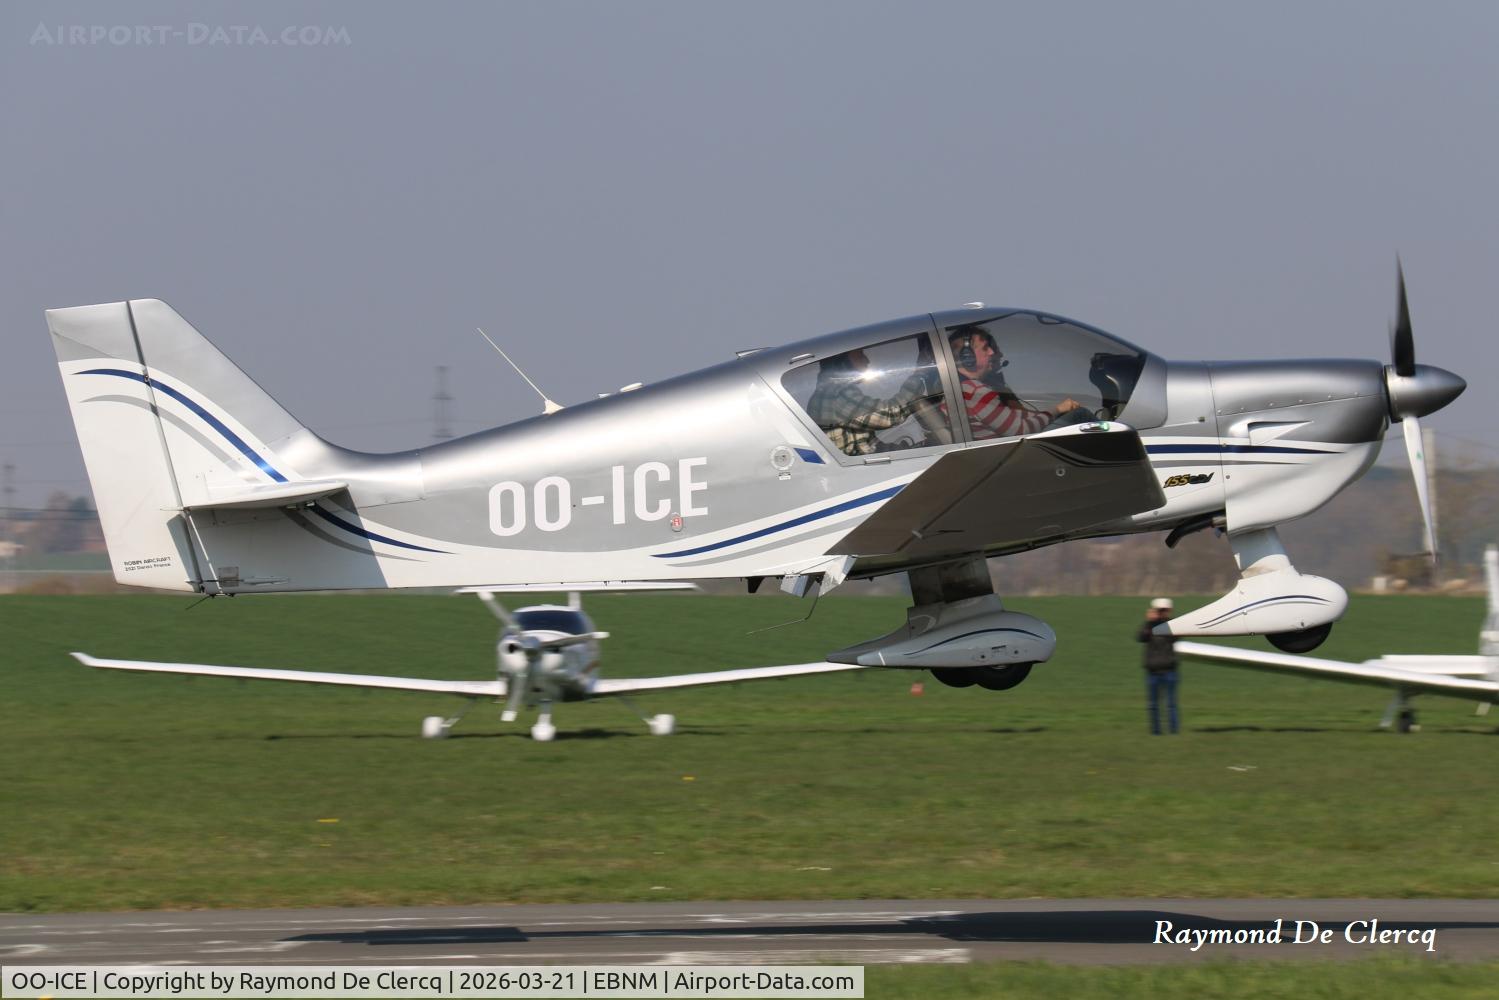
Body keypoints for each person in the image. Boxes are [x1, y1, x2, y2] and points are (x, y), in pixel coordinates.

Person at [947, 327, 1086, 440]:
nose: (992, 352)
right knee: (1080, 416)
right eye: (985, 348)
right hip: (1007, 458)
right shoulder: (976, 392)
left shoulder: (963, 390)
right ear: (967, 357)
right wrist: (1057, 410)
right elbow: (1020, 430)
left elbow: (1015, 417)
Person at [805, 348, 929, 456]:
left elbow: (863, 444)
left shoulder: (826, 392)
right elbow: (890, 415)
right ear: (841, 360)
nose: (866, 360)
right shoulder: (837, 394)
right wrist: (920, 374)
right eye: (859, 355)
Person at [1137, 597, 1180, 734]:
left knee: (1171, 704)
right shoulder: (1149, 626)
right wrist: (1149, 622)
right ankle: (1156, 732)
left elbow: (1176, 637)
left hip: (1169, 669)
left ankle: (1173, 732)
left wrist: (1164, 621)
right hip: (1153, 670)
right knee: (1153, 705)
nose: (1162, 613)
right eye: (1160, 610)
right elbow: (1140, 637)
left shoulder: (1173, 625)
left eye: (1164, 610)